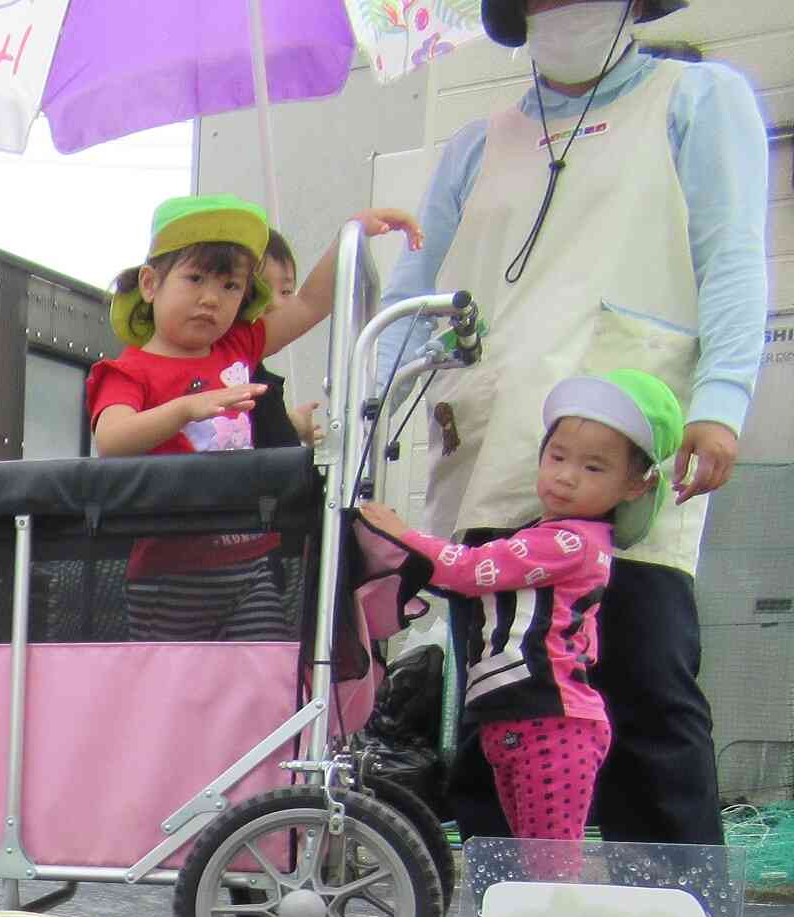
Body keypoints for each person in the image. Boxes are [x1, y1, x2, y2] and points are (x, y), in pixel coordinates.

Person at [379, 0, 769, 847]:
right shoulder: (475, 144)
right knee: (500, 697)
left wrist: (721, 402)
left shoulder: (698, 99)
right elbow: (415, 289)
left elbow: (733, 252)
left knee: (647, 689)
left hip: (624, 443)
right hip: (497, 447)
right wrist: (366, 413)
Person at [358, 369, 682, 844]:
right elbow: (474, 585)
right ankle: (531, 915)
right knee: (527, 849)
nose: (566, 476)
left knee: (548, 859)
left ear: (635, 485)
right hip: (512, 719)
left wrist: (402, 535)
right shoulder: (541, 534)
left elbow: (470, 571)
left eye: (594, 468)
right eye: (557, 456)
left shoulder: (571, 542)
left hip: (553, 723)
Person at [87, 195, 422, 639]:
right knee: (174, 693)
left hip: (250, 563)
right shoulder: (128, 371)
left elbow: (308, 304)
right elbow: (111, 438)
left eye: (230, 287)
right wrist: (185, 409)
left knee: (260, 680)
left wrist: (351, 233)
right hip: (168, 573)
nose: (211, 298)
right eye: (195, 278)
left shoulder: (237, 346)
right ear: (150, 284)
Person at [251, 232, 321, 451]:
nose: (273, 304)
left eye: (286, 291)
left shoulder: (261, 387)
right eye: (258, 289)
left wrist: (293, 424)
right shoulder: (246, 387)